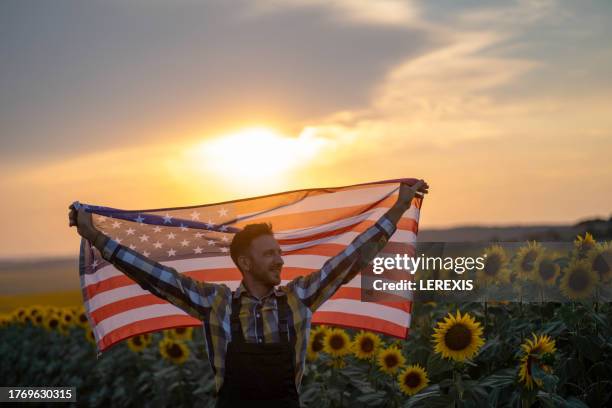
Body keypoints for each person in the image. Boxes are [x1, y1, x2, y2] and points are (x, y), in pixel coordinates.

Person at [69, 179, 428, 407]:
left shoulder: (299, 297)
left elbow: (352, 258)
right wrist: (96, 237)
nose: (280, 260)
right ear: (245, 262)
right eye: (270, 254)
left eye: (279, 252)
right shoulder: (216, 304)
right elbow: (155, 276)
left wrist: (397, 208)